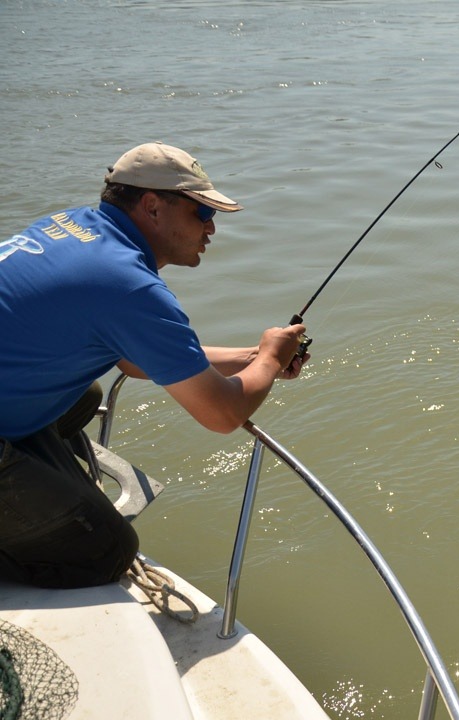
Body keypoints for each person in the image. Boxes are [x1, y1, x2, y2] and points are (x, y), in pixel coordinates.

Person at [0, 141, 308, 589]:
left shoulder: (72, 227)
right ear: (152, 206)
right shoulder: (126, 284)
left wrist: (254, 358)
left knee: (86, 395)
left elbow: (135, 358)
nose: (211, 229)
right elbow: (222, 414)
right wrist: (270, 359)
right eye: (202, 214)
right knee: (107, 550)